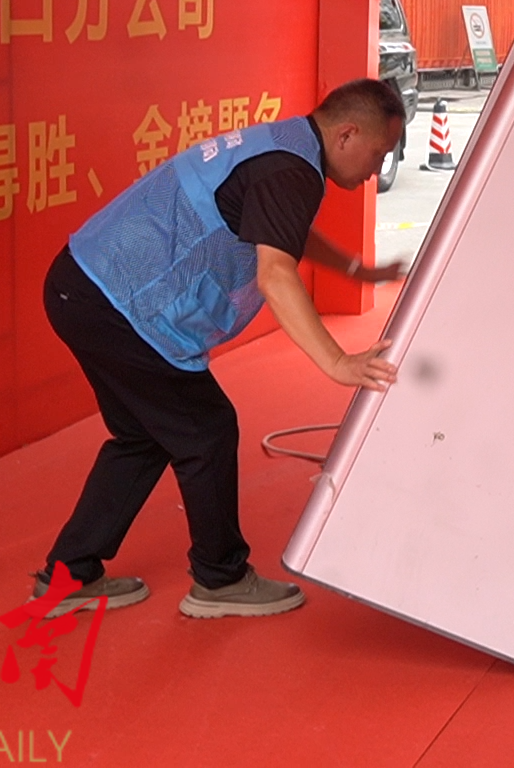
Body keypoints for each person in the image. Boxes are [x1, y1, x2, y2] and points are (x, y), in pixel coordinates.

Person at [32, 79, 409, 621]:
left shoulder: (285, 147)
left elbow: (278, 232)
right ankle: (220, 578)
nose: (377, 169)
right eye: (378, 153)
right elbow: (275, 274)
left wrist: (356, 269)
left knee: (144, 435)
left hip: (82, 284)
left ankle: (68, 576)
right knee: (206, 430)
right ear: (348, 134)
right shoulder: (291, 171)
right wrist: (337, 362)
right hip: (119, 303)